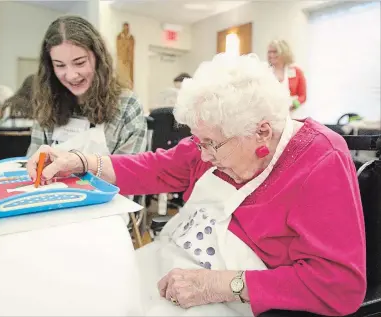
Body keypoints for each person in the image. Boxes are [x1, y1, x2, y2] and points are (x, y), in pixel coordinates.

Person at [27, 54, 366, 316]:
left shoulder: (320, 159)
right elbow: (156, 168)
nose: (201, 155)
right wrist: (82, 161)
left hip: (233, 298)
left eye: (210, 145)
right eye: (197, 140)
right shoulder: (218, 135)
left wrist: (222, 285)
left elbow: (340, 287)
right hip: (170, 265)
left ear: (262, 131)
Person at [26, 16, 147, 157]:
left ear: (98, 57)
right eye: (60, 65)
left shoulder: (127, 105)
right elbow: (33, 162)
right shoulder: (47, 103)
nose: (71, 75)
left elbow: (129, 171)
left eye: (80, 63)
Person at [267, 39, 307, 114]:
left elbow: (303, 96)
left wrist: (293, 105)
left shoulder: (297, 71)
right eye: (269, 52)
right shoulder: (265, 71)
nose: (271, 55)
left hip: (293, 114)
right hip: (272, 114)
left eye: (275, 52)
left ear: (284, 53)